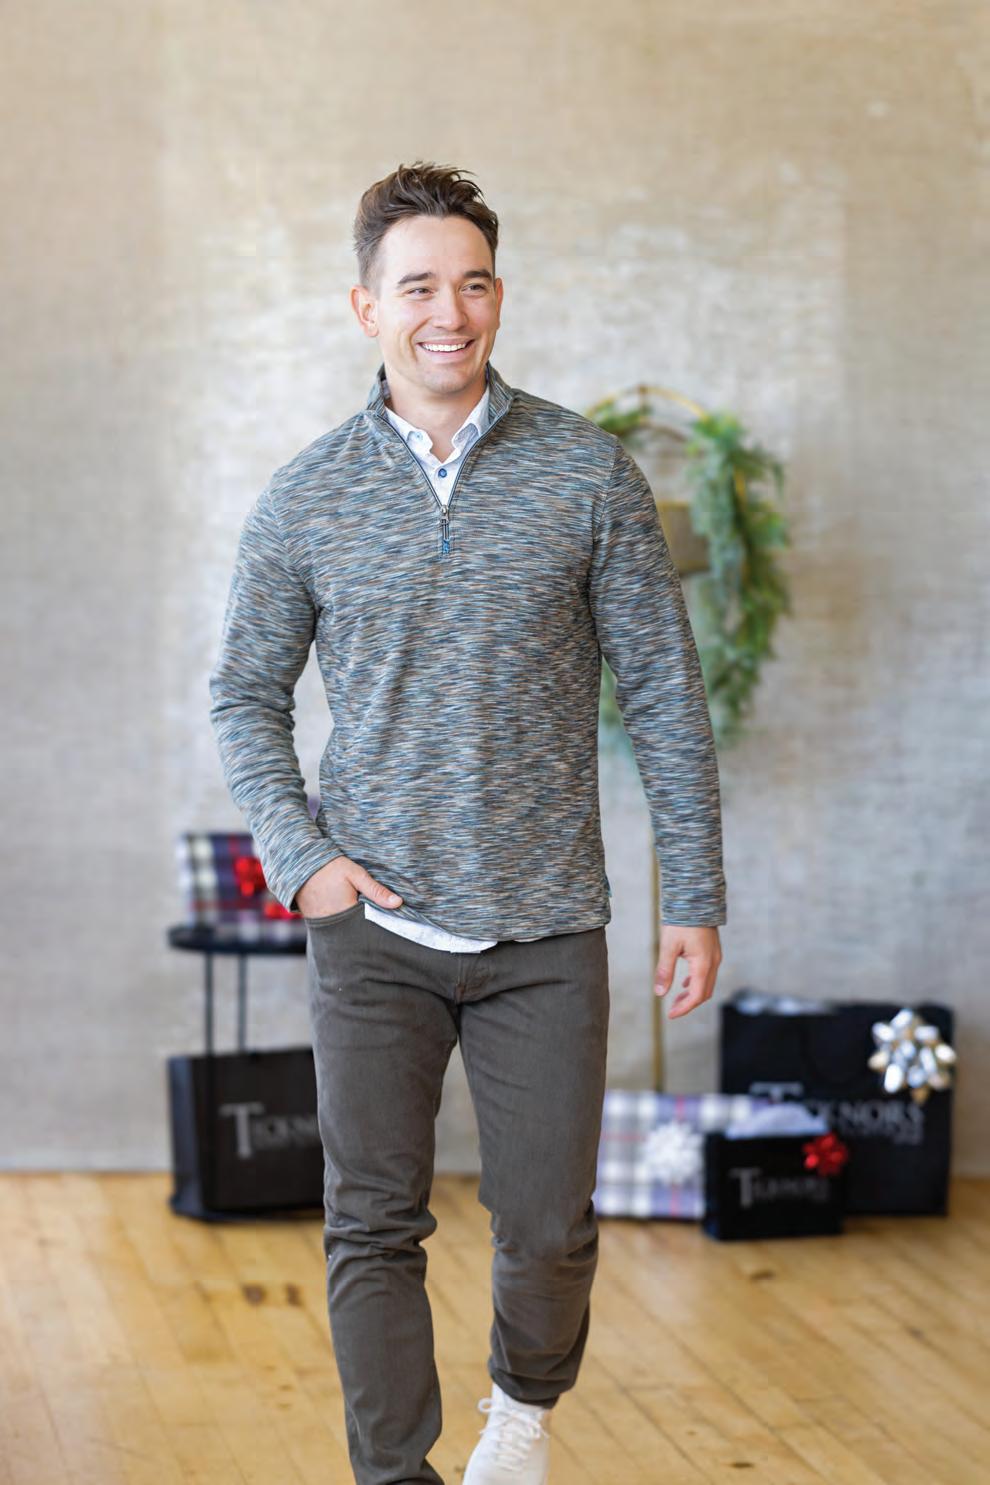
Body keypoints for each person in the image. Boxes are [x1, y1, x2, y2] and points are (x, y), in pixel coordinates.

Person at [208, 160, 726, 1485]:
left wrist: (692, 895)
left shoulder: (586, 474)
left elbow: (665, 693)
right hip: (372, 928)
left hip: (545, 924)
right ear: (366, 306)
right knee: (371, 1221)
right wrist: (304, 860)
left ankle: (522, 1411)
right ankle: (395, 1475)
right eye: (419, 286)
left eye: (475, 283)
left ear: (499, 296)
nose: (450, 312)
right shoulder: (306, 496)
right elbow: (243, 695)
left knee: (546, 1225)